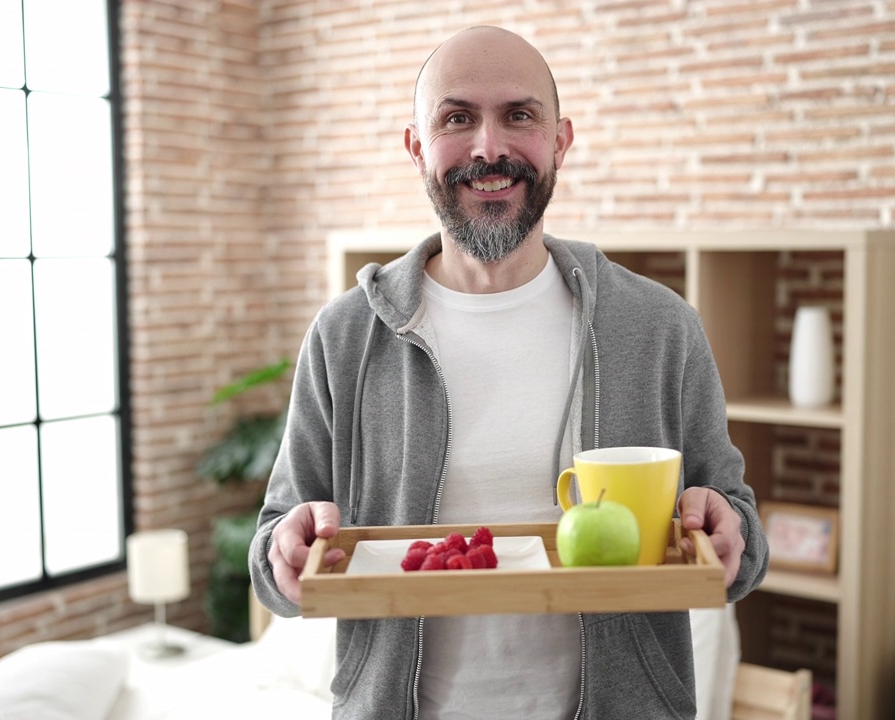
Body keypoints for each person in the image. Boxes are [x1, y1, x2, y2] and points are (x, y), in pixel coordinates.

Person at [249, 25, 769, 719]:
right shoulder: (345, 337)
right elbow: (274, 552)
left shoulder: (659, 326)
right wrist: (287, 551)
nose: (488, 147)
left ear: (560, 140)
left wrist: (729, 527)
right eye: (456, 118)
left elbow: (740, 538)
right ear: (416, 147)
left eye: (519, 115)